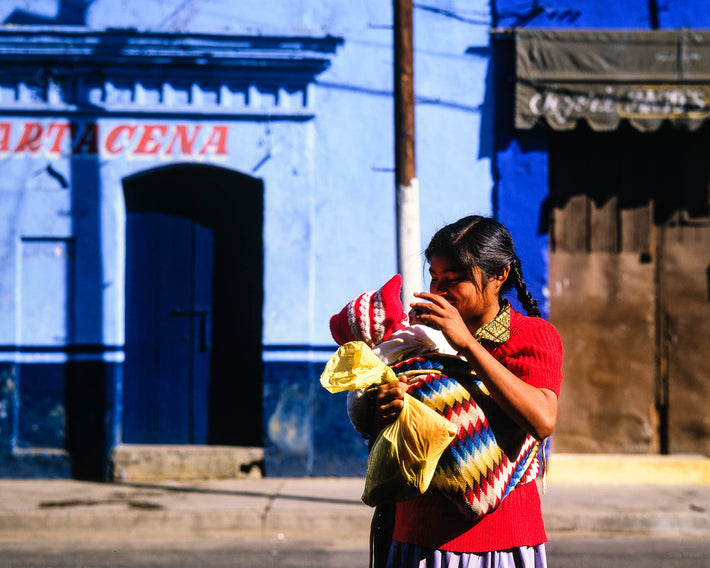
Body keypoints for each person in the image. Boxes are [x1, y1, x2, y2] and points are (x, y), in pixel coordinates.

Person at [372, 215, 563, 568]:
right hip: (419, 532)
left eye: (455, 280)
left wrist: (467, 345)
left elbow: (542, 420)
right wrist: (385, 409)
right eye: (435, 277)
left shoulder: (531, 335)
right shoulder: (419, 340)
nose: (440, 290)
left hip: (500, 538)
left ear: (498, 276)